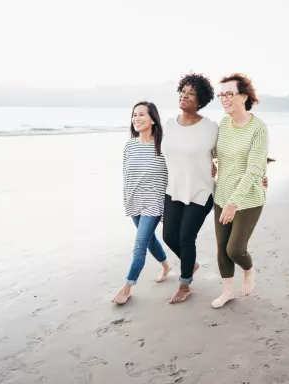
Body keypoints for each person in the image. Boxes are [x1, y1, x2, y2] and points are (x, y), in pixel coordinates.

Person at [211, 73, 268, 309]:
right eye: (221, 94)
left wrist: (234, 203)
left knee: (235, 249)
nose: (224, 98)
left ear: (244, 96)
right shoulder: (223, 123)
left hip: (248, 198)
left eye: (229, 93)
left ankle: (249, 270)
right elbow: (216, 153)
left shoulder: (258, 128)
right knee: (221, 248)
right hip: (222, 194)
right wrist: (210, 164)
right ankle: (227, 292)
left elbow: (253, 168)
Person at [161, 73, 218, 304]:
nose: (184, 96)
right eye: (183, 92)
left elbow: (227, 154)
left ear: (201, 100)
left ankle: (185, 285)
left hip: (200, 190)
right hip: (174, 189)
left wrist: (217, 165)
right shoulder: (168, 124)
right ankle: (190, 263)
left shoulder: (211, 128)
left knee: (186, 237)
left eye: (191, 93)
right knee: (168, 236)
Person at [112, 102, 170, 305]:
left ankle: (127, 287)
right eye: (134, 115)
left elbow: (179, 169)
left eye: (141, 114)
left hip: (154, 202)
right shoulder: (129, 145)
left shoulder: (163, 145)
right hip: (134, 200)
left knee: (139, 245)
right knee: (149, 239)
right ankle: (166, 265)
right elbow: (126, 175)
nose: (136, 118)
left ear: (153, 118)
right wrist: (126, 199)